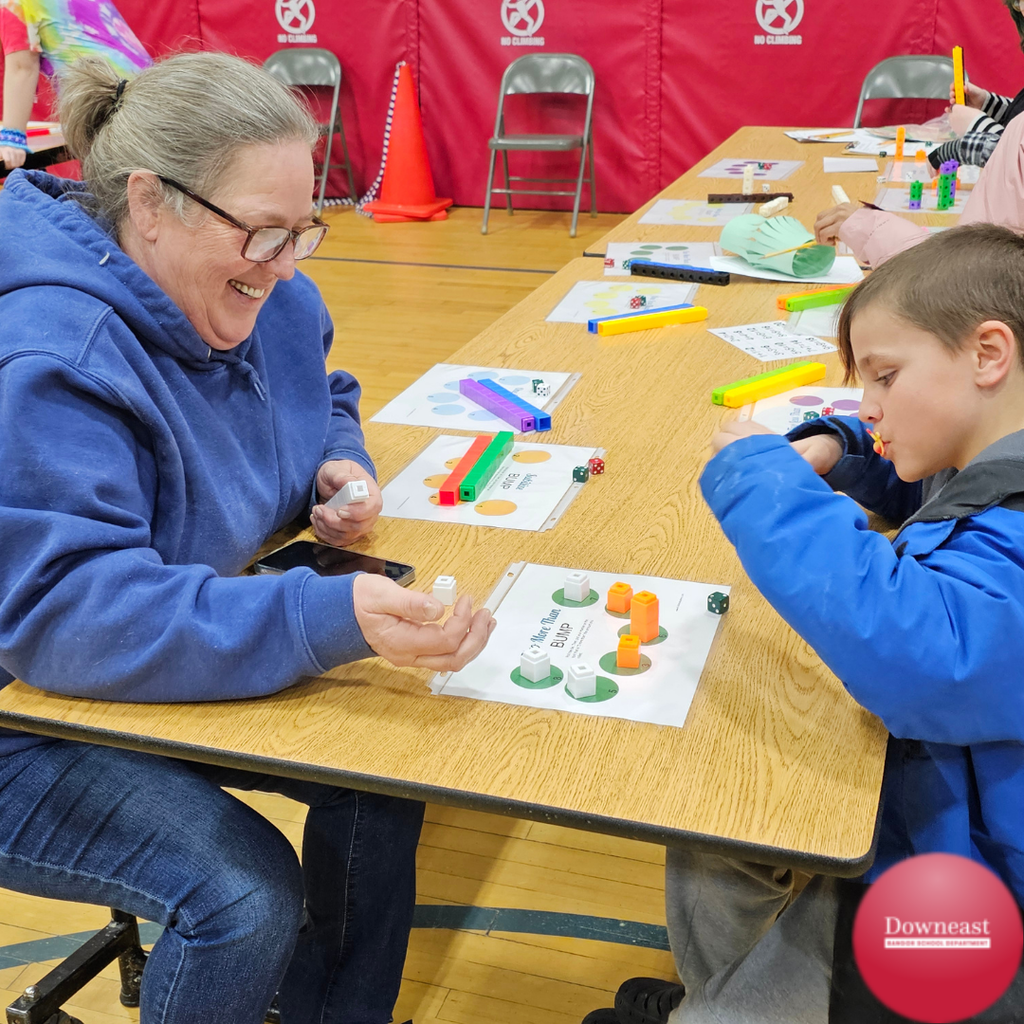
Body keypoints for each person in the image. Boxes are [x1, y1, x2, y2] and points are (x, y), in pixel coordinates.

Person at [0, 51, 495, 1024]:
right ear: (151, 203)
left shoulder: (265, 292)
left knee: (380, 780)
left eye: (302, 228)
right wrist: (321, 614)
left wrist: (335, 464)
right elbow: (66, 615)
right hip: (26, 715)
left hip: (147, 658)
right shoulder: (56, 355)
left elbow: (325, 390)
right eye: (262, 231)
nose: (286, 264)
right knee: (243, 893)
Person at [583, 225, 1024, 1024]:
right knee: (715, 811)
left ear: (989, 355)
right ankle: (719, 995)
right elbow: (944, 498)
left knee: (745, 809)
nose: (869, 403)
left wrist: (761, 482)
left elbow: (927, 657)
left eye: (886, 378)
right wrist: (849, 446)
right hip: (943, 804)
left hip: (969, 889)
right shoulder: (992, 445)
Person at [1, 0, 149, 169]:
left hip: (113, 109)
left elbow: (22, 68)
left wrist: (12, 138)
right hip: (145, 93)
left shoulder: (14, 3)